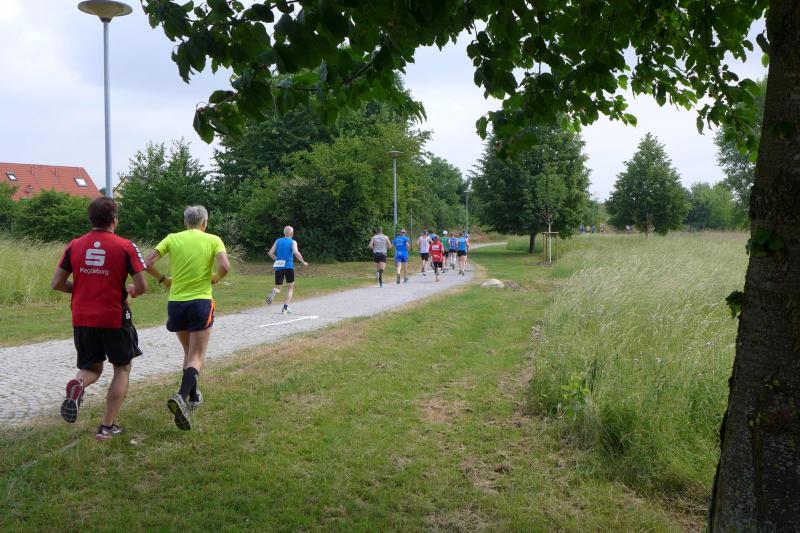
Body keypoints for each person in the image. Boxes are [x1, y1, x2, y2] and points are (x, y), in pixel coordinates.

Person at [51, 197, 148, 441]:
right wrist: (132, 291)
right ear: (114, 219)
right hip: (114, 316)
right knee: (122, 368)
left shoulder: (74, 245)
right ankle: (107, 426)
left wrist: (80, 288)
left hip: (82, 316)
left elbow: (57, 283)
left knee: (91, 368)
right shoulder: (126, 246)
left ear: (90, 219)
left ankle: (78, 385)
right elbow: (142, 286)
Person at [145, 205, 230, 431]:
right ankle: (181, 397)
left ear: (185, 222)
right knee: (197, 356)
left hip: (176, 303)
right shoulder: (213, 240)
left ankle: (193, 397)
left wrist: (163, 280)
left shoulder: (172, 238)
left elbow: (147, 263)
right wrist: (214, 278)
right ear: (205, 223)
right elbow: (225, 266)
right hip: (200, 302)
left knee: (188, 353)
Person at [266, 225, 309, 314]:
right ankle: (285, 308)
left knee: (278, 288)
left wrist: (277, 260)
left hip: (279, 267)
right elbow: (296, 253)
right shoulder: (293, 242)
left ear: (284, 233)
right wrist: (303, 262)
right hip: (289, 267)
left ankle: (274, 291)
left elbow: (270, 253)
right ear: (292, 233)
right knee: (290, 288)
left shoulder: (278, 241)